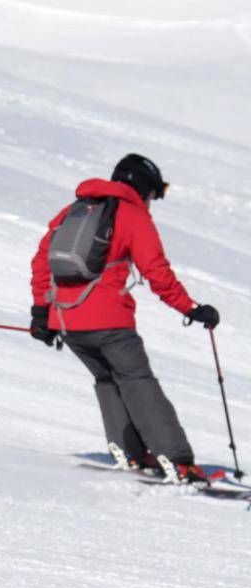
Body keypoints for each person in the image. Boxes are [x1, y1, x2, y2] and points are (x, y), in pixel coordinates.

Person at [29, 154, 220, 484]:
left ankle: (129, 451)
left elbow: (42, 261)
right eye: (152, 195)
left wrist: (41, 313)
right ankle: (178, 461)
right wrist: (190, 308)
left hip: (68, 324)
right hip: (110, 324)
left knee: (108, 379)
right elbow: (157, 274)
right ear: (141, 188)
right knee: (137, 381)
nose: (151, 203)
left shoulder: (72, 211)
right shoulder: (132, 216)